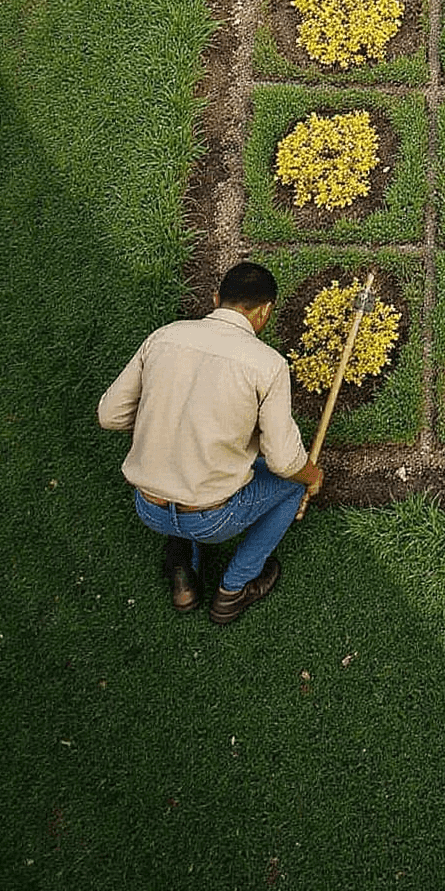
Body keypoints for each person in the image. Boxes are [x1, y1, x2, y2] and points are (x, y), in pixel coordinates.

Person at [96, 260, 323, 624]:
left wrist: (163, 429)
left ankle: (183, 573)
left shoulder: (164, 336)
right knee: (291, 484)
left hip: (148, 507)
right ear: (265, 311)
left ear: (216, 298)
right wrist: (312, 476)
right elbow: (284, 461)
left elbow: (109, 415)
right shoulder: (267, 365)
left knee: (181, 474)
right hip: (212, 519)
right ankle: (234, 590)